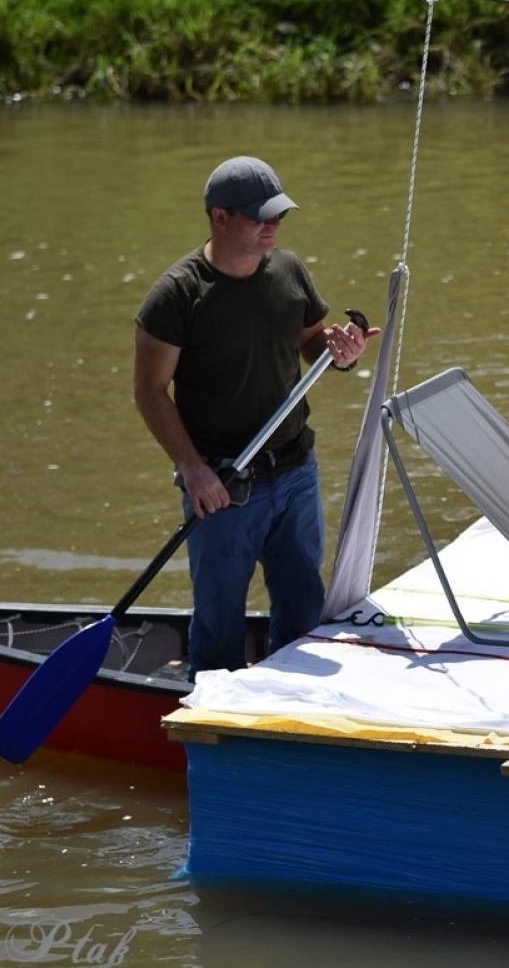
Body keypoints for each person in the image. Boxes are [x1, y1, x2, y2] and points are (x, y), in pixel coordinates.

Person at [133, 155, 379, 675]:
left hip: (295, 472)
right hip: (222, 486)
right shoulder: (176, 295)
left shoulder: (289, 271)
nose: (274, 226)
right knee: (220, 621)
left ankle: (297, 707)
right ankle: (214, 718)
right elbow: (151, 393)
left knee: (303, 604)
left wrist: (340, 351)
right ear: (219, 217)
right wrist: (193, 469)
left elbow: (311, 340)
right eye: (260, 216)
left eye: (279, 216)